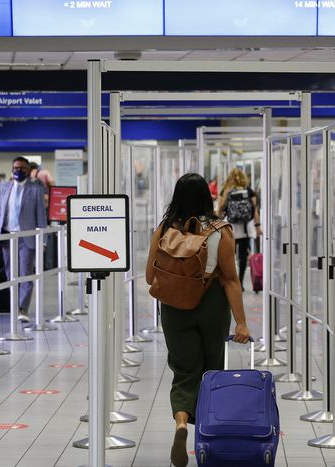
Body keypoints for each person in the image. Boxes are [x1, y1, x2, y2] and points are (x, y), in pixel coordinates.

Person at [146, 173, 250, 467]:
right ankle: (206, 438)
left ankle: (181, 423)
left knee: (184, 370)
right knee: (211, 370)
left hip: (174, 307)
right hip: (211, 305)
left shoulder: (165, 228)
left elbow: (149, 276)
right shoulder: (220, 231)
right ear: (207, 196)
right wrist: (241, 322)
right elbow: (230, 280)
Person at [0, 156, 47, 321]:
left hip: (27, 238)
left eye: (22, 168)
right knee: (10, 274)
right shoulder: (4, 188)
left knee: (25, 273)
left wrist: (42, 240)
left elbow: (41, 216)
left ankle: (23, 308)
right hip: (8, 236)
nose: (18, 171)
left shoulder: (36, 189)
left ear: (28, 170)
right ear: (12, 169)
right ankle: (15, 305)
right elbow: (0, 214)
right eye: (15, 168)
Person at [217, 168, 262, 291]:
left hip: (229, 227)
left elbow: (220, 208)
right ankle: (240, 282)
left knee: (230, 255)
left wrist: (215, 223)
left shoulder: (226, 191)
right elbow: (255, 210)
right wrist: (258, 227)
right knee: (243, 256)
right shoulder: (248, 190)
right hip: (245, 228)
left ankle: (230, 280)